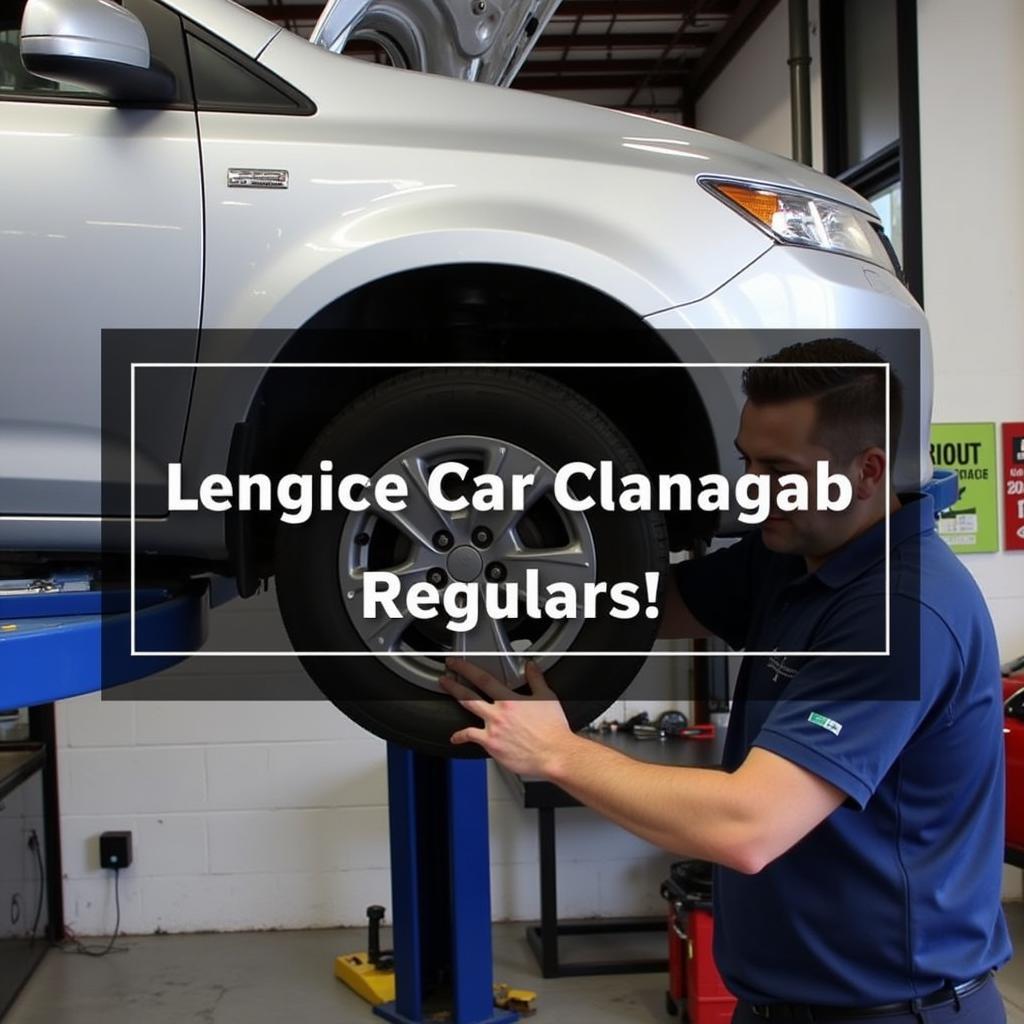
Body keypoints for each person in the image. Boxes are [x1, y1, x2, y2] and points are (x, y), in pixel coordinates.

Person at [439, 338, 1012, 1023]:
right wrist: (488, 576)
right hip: (777, 1004)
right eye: (747, 461)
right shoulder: (792, 556)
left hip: (895, 1012)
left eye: (780, 469)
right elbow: (635, 608)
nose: (751, 489)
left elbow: (749, 825)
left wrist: (556, 753)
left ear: (868, 471)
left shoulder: (901, 614)